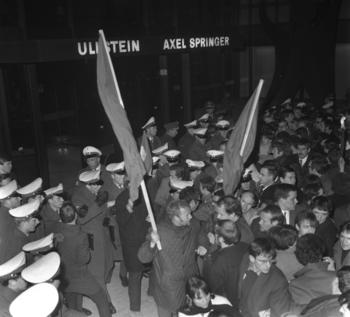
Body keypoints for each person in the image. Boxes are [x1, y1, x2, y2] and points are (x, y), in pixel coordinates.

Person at [138, 200, 205, 317]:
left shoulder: (193, 224)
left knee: (188, 311)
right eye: (187, 215)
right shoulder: (159, 231)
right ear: (176, 217)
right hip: (168, 283)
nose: (191, 217)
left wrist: (203, 245)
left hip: (190, 278)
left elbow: (201, 234)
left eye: (190, 213)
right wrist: (152, 243)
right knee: (167, 311)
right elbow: (143, 257)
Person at [54, 201, 112, 317]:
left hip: (65, 276)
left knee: (72, 305)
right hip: (80, 276)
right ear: (76, 215)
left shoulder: (57, 230)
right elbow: (84, 260)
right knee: (102, 300)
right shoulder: (81, 236)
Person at [71, 170, 115, 314]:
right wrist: (98, 202)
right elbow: (82, 217)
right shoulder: (77, 197)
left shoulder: (98, 192)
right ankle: (106, 301)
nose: (98, 187)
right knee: (97, 272)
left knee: (108, 265)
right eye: (95, 185)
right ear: (87, 185)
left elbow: (104, 214)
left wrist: (109, 212)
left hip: (103, 236)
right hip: (91, 241)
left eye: (98, 183)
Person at [238, 237, 297, 317]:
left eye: (270, 260)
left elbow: (280, 311)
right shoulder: (243, 261)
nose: (268, 265)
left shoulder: (278, 281)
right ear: (251, 258)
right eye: (263, 261)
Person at [114, 184, 149, 315]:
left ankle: (151, 291)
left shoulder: (143, 193)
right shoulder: (121, 199)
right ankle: (135, 309)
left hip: (145, 238)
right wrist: (128, 207)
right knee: (135, 274)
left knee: (149, 267)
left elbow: (148, 211)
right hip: (131, 243)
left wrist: (149, 220)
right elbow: (121, 221)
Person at [203, 220, 248, 307]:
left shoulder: (216, 258)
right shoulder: (245, 246)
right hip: (243, 298)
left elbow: (211, 285)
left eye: (216, 234)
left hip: (227, 302)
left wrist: (210, 250)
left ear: (221, 238)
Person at [289, 234, 337, 305]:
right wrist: (334, 272)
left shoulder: (294, 285)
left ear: (298, 255)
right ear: (322, 250)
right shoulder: (337, 278)